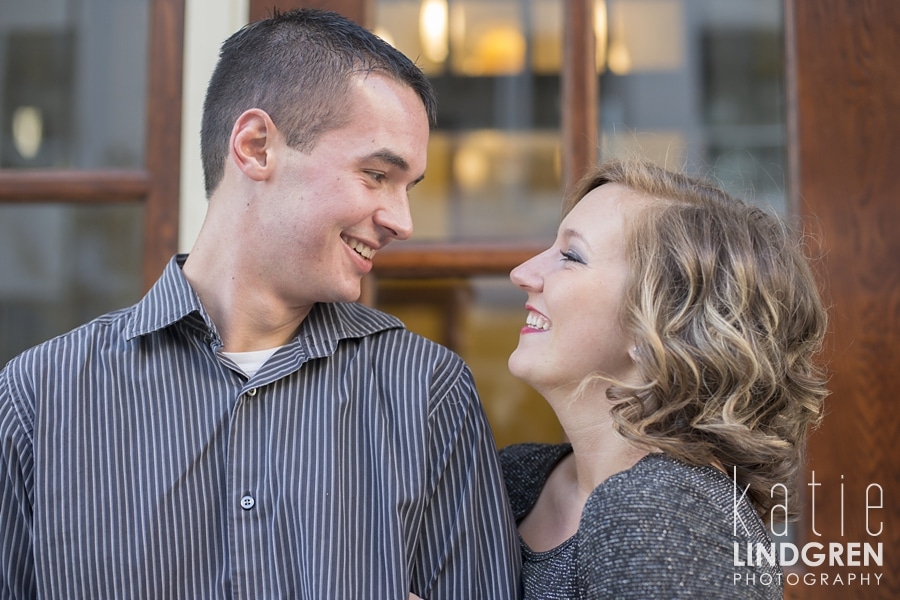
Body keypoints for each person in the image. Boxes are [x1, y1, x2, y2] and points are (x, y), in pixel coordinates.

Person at [0, 9, 521, 599]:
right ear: (255, 147)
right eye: (376, 175)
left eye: (408, 189)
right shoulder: (40, 403)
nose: (401, 222)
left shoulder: (427, 393)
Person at [499, 158, 829, 598]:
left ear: (659, 327)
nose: (522, 274)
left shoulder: (665, 511)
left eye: (571, 257)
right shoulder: (518, 476)